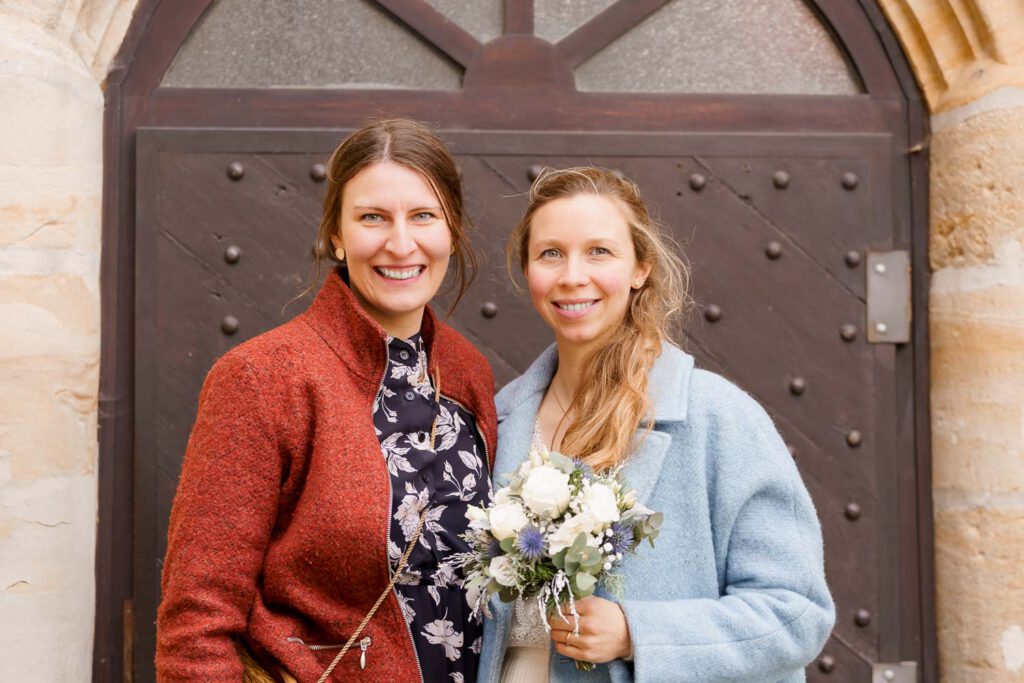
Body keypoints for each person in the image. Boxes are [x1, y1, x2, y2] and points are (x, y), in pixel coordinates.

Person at [156, 118, 497, 682]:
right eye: (372, 218)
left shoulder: (468, 373)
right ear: (336, 235)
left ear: (451, 231)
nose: (401, 243)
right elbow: (197, 618)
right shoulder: (263, 377)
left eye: (423, 216)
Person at [476, 167, 835, 683]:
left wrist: (636, 632)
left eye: (599, 251)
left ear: (640, 267)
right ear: (528, 269)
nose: (572, 275)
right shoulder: (501, 418)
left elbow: (797, 614)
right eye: (550, 253)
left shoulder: (718, 417)